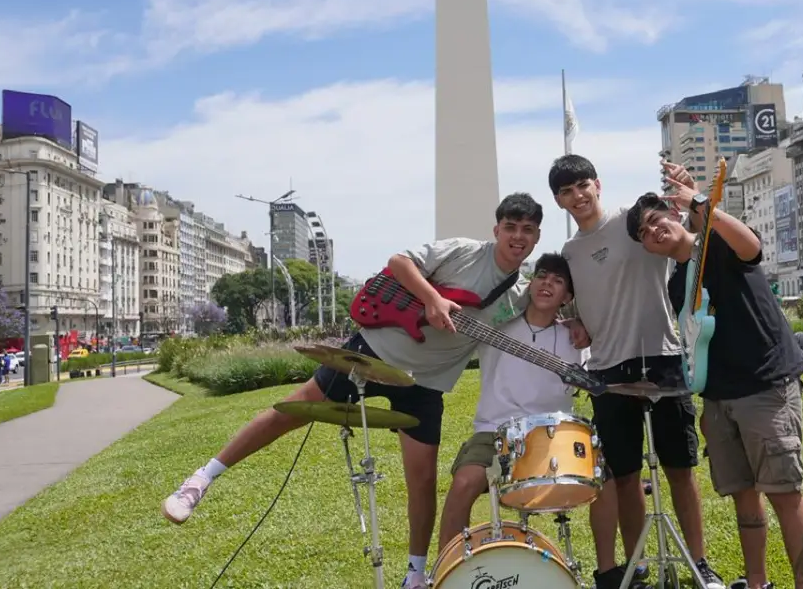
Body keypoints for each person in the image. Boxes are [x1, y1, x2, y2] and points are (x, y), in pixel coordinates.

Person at [163, 193, 555, 589]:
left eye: (527, 230)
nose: (517, 236)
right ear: (497, 229)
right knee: (291, 411)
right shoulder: (464, 252)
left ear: (537, 236)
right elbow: (399, 263)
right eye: (510, 227)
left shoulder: (517, 295)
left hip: (425, 383)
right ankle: (201, 478)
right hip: (372, 352)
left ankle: (416, 575)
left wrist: (574, 326)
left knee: (421, 481)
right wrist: (433, 299)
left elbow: (548, 311)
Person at [624, 175, 803, 589]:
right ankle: (757, 581)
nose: (654, 231)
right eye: (644, 233)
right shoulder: (677, 284)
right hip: (720, 397)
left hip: (766, 385)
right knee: (743, 496)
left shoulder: (718, 242)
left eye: (656, 220)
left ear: (675, 216)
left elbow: (753, 248)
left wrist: (701, 205)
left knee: (785, 494)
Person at [548, 154, 725, 589]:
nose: (578, 197)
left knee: (681, 469)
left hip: (664, 357)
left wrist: (689, 190)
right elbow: (582, 305)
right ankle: (634, 566)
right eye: (567, 192)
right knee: (625, 476)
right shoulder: (570, 252)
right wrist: (576, 320)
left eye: (583, 186)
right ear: (559, 201)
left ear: (598, 185)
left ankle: (699, 562)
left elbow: (689, 238)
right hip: (607, 370)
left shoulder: (636, 222)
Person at [436, 253, 586, 548]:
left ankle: (607, 571)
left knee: (604, 484)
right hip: (495, 431)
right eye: (542, 276)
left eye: (557, 281)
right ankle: (446, 568)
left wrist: (581, 323)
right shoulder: (496, 327)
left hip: (550, 437)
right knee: (464, 483)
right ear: (530, 284)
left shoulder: (577, 339)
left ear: (567, 297)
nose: (547, 284)